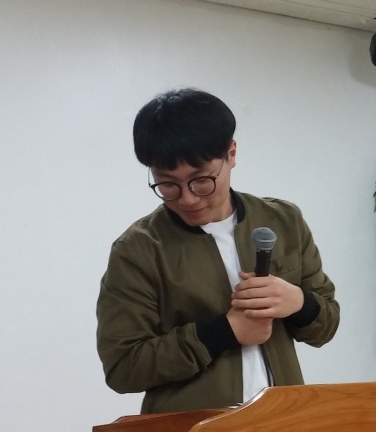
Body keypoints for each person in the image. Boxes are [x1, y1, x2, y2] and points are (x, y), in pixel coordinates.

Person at [96, 88, 340, 413]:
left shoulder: (284, 221)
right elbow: (123, 367)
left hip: (283, 424)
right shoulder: (138, 249)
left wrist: (298, 302)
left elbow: (326, 326)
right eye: (167, 184)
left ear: (231, 153)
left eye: (201, 180)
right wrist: (224, 332)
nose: (187, 198)